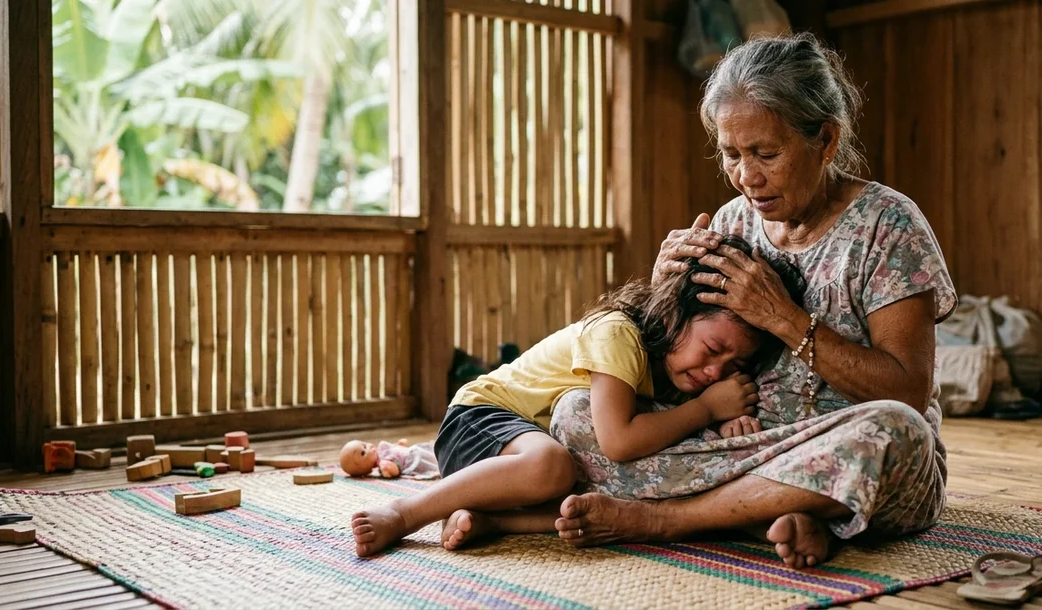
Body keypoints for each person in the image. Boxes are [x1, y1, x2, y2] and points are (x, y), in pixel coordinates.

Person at [547, 32, 958, 570]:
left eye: (766, 153)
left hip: (845, 448)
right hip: (728, 448)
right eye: (731, 154)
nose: (747, 177)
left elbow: (908, 391)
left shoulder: (889, 226)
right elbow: (683, 364)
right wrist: (662, 293)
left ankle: (665, 518)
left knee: (896, 432)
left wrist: (786, 320)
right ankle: (783, 512)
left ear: (826, 141)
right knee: (577, 414)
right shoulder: (732, 222)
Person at [350, 237, 808, 557]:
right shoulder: (619, 333)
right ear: (677, 312)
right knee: (551, 467)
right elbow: (619, 441)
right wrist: (708, 409)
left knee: (595, 504)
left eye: (732, 368)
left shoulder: (678, 368)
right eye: (712, 350)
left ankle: (493, 519)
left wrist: (727, 419)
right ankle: (404, 513)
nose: (715, 372)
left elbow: (665, 423)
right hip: (481, 420)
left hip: (529, 461)